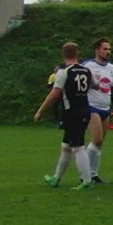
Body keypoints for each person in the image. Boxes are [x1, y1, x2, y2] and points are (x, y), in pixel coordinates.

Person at [32, 42, 95, 190]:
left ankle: (87, 181)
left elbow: (54, 95)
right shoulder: (87, 70)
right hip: (85, 110)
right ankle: (56, 178)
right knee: (66, 146)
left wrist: (40, 111)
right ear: (77, 53)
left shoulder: (64, 72)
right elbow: (94, 85)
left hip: (72, 112)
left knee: (78, 147)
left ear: (63, 55)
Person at [83, 37, 113, 183]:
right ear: (97, 50)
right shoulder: (87, 66)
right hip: (91, 106)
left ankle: (93, 174)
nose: (108, 52)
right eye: (105, 49)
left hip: (106, 107)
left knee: (100, 142)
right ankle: (84, 174)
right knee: (97, 139)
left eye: (109, 49)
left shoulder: (112, 68)